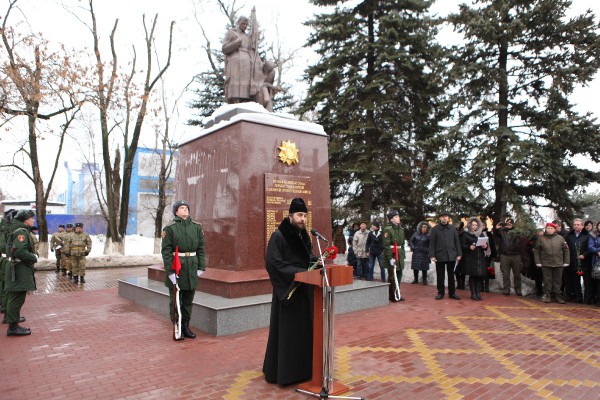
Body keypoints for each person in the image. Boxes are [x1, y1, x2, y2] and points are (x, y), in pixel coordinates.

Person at [263, 197, 317, 385]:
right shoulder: (278, 236)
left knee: (304, 331)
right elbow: (273, 263)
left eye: (305, 215)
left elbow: (307, 256)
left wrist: (317, 261)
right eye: (299, 215)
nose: (303, 219)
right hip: (289, 290)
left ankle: (304, 370)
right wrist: (298, 273)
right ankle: (285, 373)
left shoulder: (304, 235)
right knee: (287, 333)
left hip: (305, 290)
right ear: (290, 215)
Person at [162, 200, 206, 340]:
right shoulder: (170, 228)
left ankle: (186, 326)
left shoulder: (196, 227)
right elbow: (166, 251)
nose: (185, 209)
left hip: (191, 267)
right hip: (177, 267)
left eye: (186, 207)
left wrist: (201, 267)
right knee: (176, 300)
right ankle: (177, 327)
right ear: (176, 212)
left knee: (188, 300)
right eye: (181, 208)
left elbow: (201, 248)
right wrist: (170, 272)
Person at [4, 210, 37, 336]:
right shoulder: (21, 232)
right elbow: (19, 251)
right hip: (18, 268)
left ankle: (14, 323)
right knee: (17, 298)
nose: (33, 220)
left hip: (17, 267)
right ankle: (13, 327)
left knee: (16, 297)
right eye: (31, 218)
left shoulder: (20, 230)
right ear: (25, 220)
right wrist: (33, 257)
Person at [222, 16, 263, 104]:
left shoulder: (247, 37)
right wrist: (235, 43)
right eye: (243, 23)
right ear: (238, 22)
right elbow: (224, 49)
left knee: (245, 87)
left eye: (246, 24)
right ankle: (235, 102)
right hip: (235, 62)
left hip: (247, 63)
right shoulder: (231, 33)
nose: (245, 26)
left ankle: (244, 103)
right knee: (235, 85)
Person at [429, 211, 462, 300]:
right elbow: (432, 243)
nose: (445, 218)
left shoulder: (452, 228)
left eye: (446, 216)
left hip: (451, 255)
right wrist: (432, 255)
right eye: (443, 217)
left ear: (448, 218)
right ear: (440, 218)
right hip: (439, 255)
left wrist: (459, 254)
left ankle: (452, 293)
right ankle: (441, 293)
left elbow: (457, 242)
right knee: (440, 275)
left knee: (451, 275)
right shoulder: (435, 229)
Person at [534, 222, 569, 304]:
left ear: (555, 229)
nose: (549, 230)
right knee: (547, 280)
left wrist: (566, 261)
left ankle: (557, 296)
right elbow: (536, 250)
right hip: (546, 263)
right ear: (546, 229)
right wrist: (538, 262)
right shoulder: (541, 238)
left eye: (551, 228)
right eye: (548, 228)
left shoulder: (560, 238)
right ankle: (548, 295)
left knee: (558, 280)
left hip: (558, 263)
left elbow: (566, 250)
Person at [460, 218, 489, 301]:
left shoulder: (481, 234)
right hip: (471, 258)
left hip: (480, 258)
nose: (474, 226)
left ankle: (477, 293)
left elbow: (485, 244)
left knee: (479, 275)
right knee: (473, 275)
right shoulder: (466, 234)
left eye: (476, 225)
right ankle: (473, 293)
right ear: (470, 225)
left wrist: (485, 246)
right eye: (473, 225)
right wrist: (469, 247)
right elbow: (463, 245)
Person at [494, 219, 523, 296]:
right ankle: (506, 288)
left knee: (517, 273)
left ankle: (518, 289)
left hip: (516, 255)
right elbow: (496, 236)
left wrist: (512, 228)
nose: (508, 224)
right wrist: (496, 229)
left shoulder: (516, 231)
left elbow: (521, 235)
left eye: (510, 223)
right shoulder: (502, 231)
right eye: (507, 223)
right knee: (505, 273)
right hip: (504, 255)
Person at [383, 210, 405, 302]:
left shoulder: (401, 229)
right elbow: (386, 245)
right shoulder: (388, 230)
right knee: (392, 275)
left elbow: (402, 244)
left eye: (398, 216)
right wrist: (390, 258)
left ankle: (397, 292)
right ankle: (391, 294)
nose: (398, 218)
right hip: (392, 254)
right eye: (396, 217)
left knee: (399, 274)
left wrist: (403, 255)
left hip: (399, 254)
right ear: (391, 219)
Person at [564, 218, 589, 303]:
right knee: (575, 281)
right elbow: (565, 247)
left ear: (582, 226)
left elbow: (590, 248)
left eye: (578, 225)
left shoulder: (587, 235)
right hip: (573, 261)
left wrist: (584, 255)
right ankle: (578, 297)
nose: (576, 226)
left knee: (587, 282)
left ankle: (587, 298)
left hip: (585, 262)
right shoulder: (569, 236)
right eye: (575, 225)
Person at [587, 221, 600, 306]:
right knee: (598, 281)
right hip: (597, 260)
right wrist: (598, 251)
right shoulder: (593, 235)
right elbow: (590, 247)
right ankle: (598, 299)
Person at [455, 221, 466, 290]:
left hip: (463, 253)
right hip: (455, 253)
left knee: (462, 270)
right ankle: (459, 282)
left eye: (459, 225)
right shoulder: (454, 232)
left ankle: (462, 283)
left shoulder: (464, 233)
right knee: (456, 270)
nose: (457, 226)